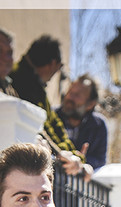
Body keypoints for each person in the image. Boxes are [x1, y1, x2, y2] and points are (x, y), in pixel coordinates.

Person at [10, 36, 86, 177]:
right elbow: (42, 126)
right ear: (52, 63)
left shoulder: (36, 86)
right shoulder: (24, 83)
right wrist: (63, 153)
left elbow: (54, 124)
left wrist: (73, 154)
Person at [56, 74, 108, 170]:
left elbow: (100, 160)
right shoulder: (51, 115)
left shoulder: (99, 125)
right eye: (70, 91)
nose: (70, 97)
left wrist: (81, 161)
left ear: (90, 104)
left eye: (77, 95)